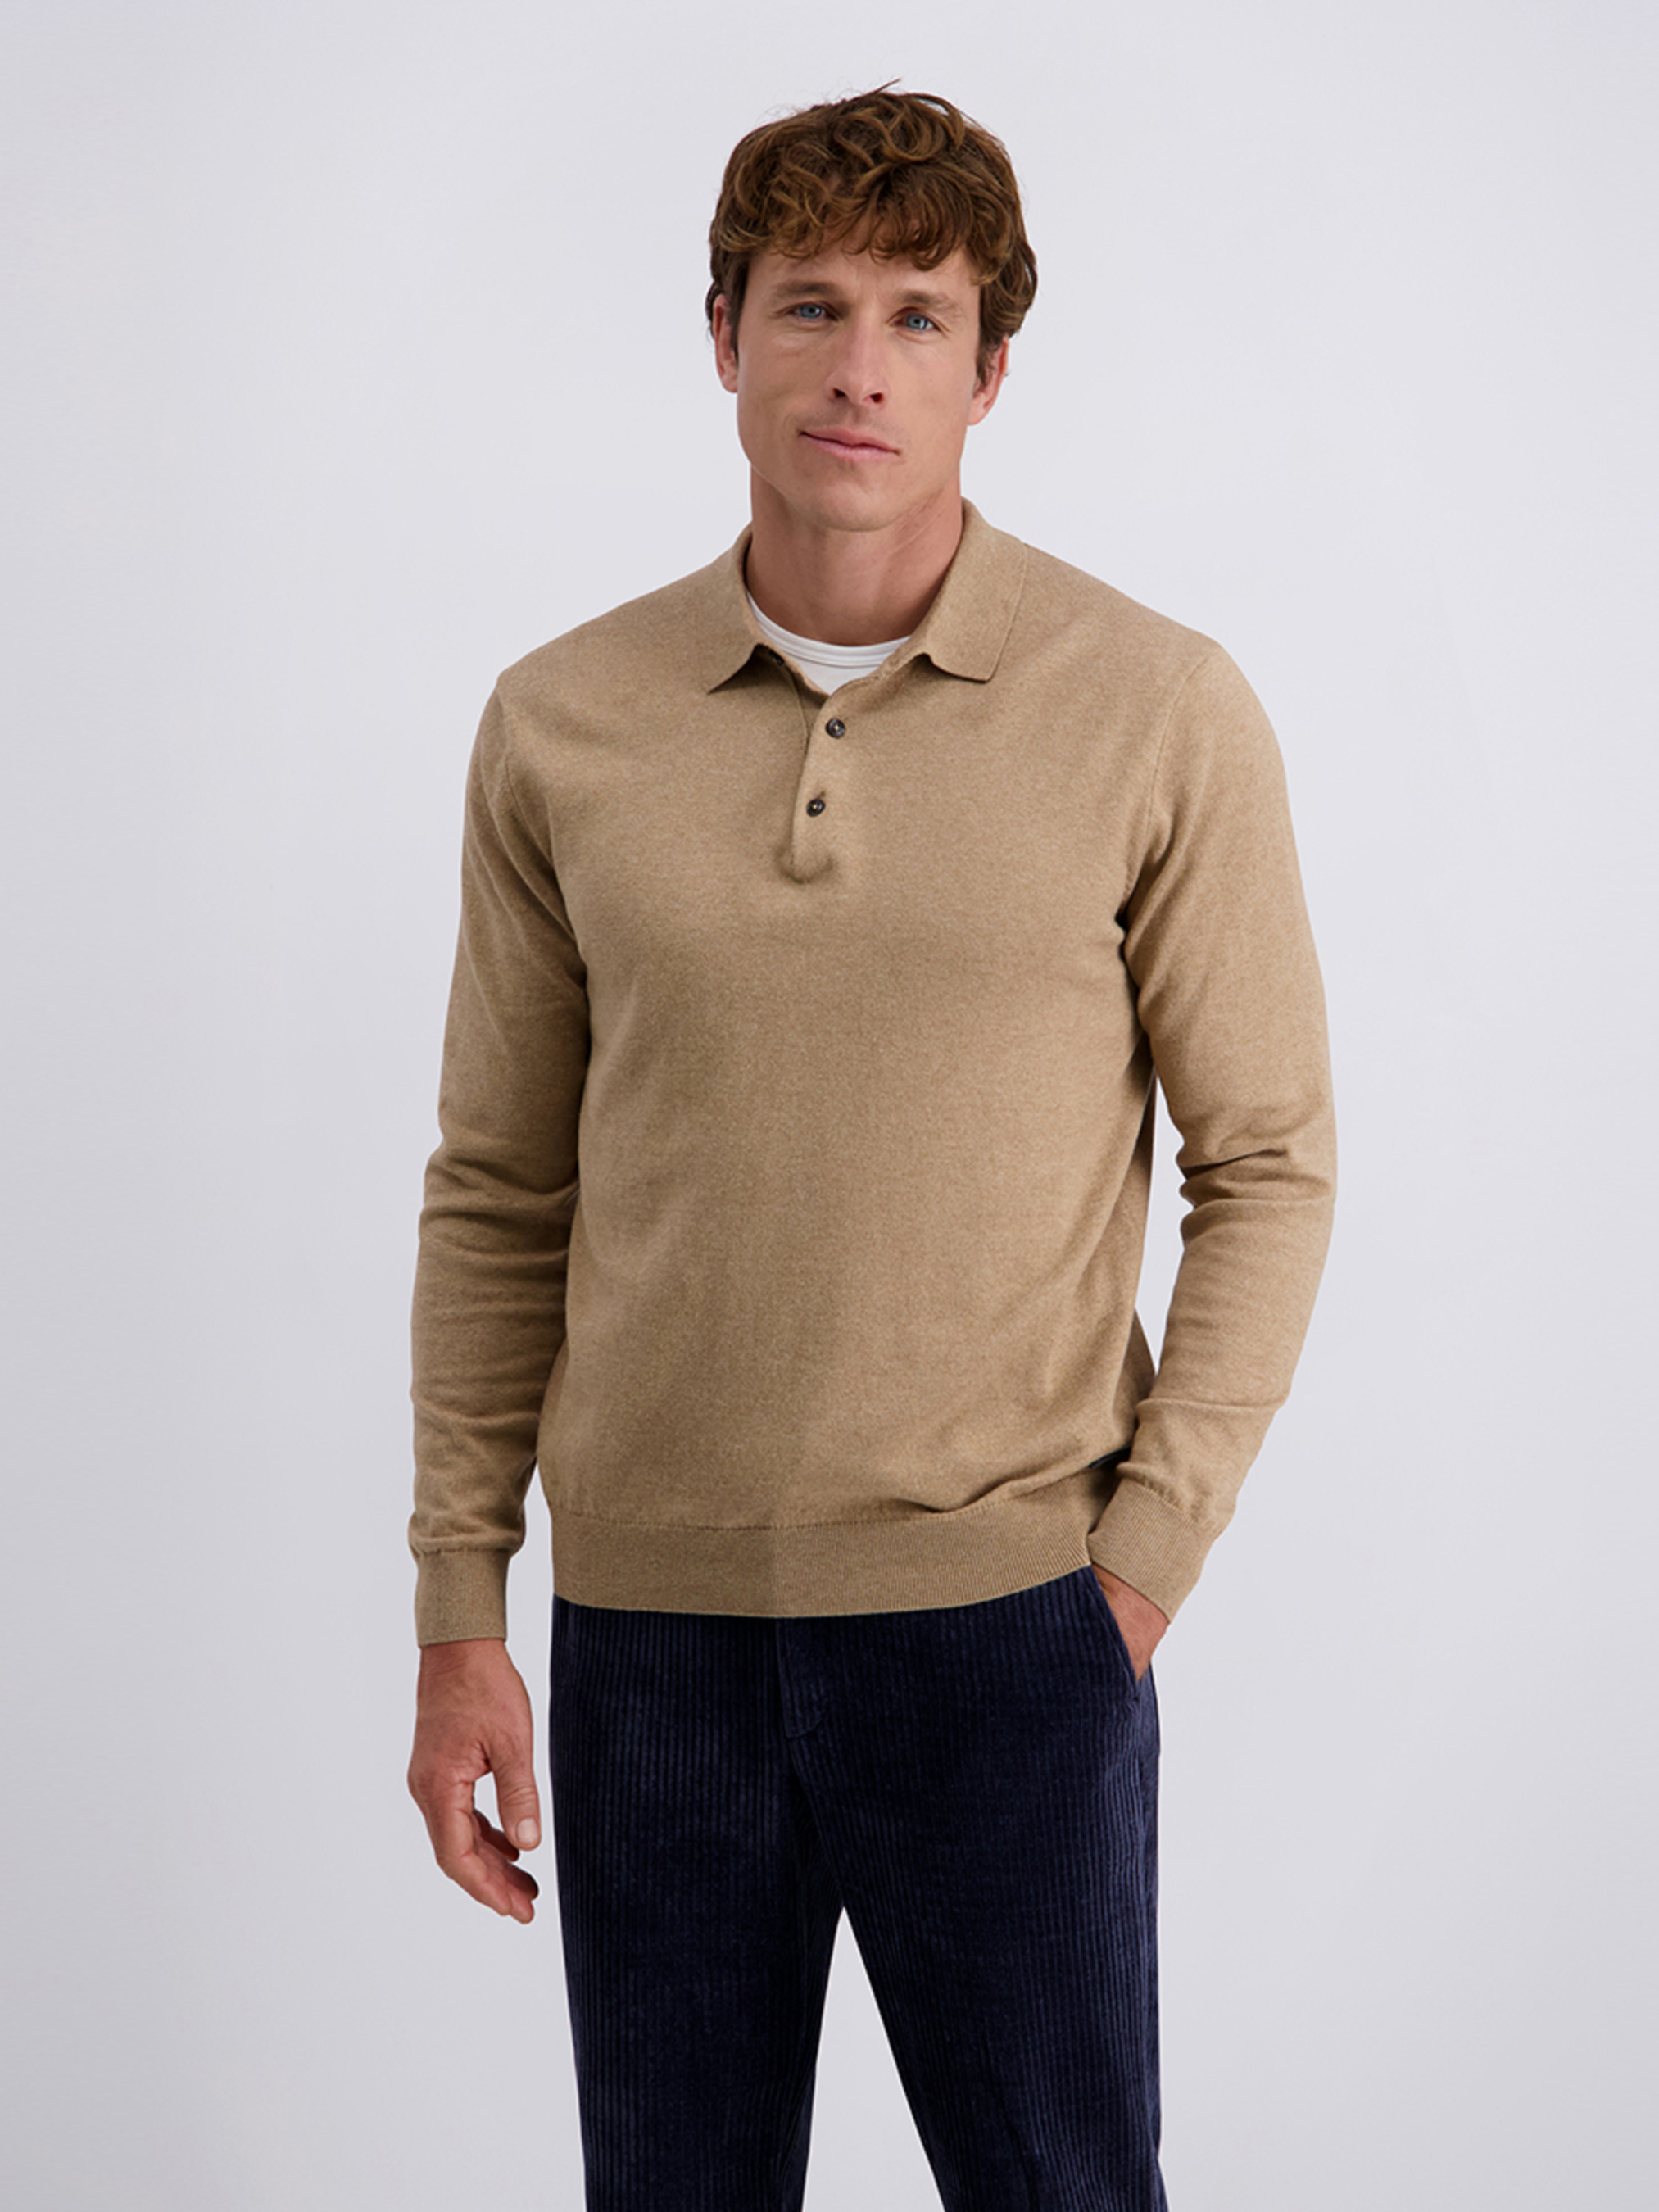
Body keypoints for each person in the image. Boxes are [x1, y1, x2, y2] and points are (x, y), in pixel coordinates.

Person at [406, 86, 1335, 2212]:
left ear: (988, 371)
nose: (859, 366)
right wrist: (463, 1603)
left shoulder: (1155, 705)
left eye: (918, 316)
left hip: (1006, 1620)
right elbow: (499, 1185)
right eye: (809, 304)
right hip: (649, 1634)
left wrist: (1138, 1568)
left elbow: (1269, 1159)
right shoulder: (562, 719)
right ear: (721, 335)